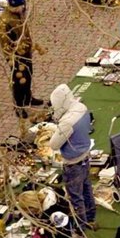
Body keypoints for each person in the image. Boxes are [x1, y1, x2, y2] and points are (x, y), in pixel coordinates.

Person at [47, 85, 95, 229]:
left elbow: (54, 144)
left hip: (72, 162)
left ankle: (82, 225)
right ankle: (91, 216)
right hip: (85, 156)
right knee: (87, 188)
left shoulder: (67, 122)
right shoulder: (81, 107)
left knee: (76, 196)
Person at [0, 0, 42, 121]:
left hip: (25, 53)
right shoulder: (5, 21)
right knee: (18, 83)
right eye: (23, 5)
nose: (24, 7)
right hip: (16, 57)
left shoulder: (18, 14)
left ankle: (28, 98)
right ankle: (19, 106)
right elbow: (6, 44)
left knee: (28, 76)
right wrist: (13, 59)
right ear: (17, 6)